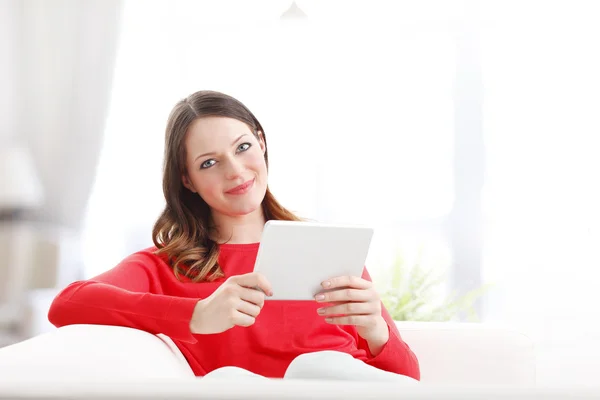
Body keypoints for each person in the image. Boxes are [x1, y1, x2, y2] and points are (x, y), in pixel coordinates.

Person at [48, 90, 420, 382]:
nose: (235, 170)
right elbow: (66, 304)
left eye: (243, 147)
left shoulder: (324, 248)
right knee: (241, 379)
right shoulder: (165, 267)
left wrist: (376, 333)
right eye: (209, 162)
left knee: (321, 368)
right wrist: (197, 314)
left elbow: (407, 380)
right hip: (242, 390)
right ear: (187, 180)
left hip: (354, 390)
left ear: (261, 142)